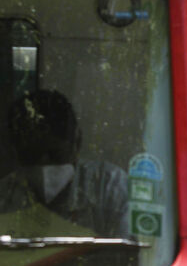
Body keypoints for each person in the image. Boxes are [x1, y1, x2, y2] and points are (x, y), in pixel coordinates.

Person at [0, 90, 128, 237]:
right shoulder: (5, 197)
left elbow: (131, 246)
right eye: (33, 155)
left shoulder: (109, 187)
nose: (44, 167)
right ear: (15, 152)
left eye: (55, 154)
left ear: (77, 144)